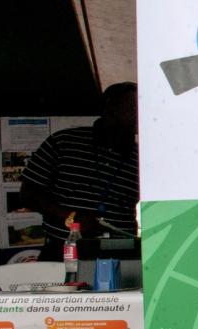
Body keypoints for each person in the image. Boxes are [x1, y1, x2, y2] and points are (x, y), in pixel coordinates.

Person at [21, 82, 140, 261]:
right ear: (110, 107)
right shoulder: (64, 142)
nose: (140, 115)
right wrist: (70, 217)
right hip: (63, 250)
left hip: (119, 253)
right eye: (133, 107)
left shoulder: (142, 157)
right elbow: (28, 193)